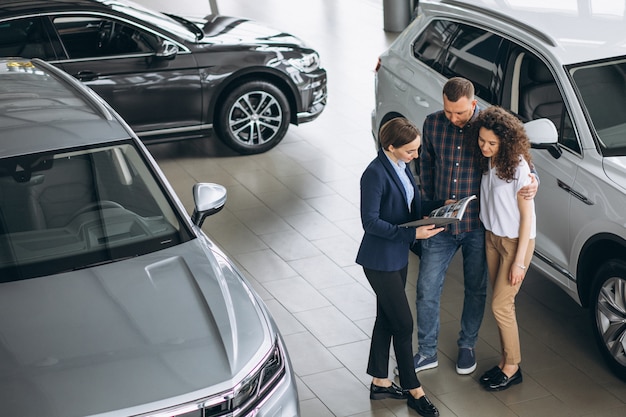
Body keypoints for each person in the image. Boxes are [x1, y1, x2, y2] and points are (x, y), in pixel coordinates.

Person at [414, 77, 538, 376]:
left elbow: (517, 155)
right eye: (447, 111)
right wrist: (432, 203)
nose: (453, 118)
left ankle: (468, 346)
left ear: (473, 103)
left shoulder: (487, 128)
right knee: (427, 288)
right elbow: (426, 165)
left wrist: (533, 178)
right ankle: (427, 351)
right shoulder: (432, 124)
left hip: (477, 228)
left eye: (459, 112)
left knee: (477, 290)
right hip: (442, 223)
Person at [356, 117, 446, 417]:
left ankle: (380, 382)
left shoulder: (401, 165)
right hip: (379, 260)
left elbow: (409, 206)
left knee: (387, 318)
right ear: (390, 147)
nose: (416, 156)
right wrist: (412, 234)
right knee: (404, 324)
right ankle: (413, 389)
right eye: (410, 151)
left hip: (397, 256)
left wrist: (439, 205)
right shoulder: (374, 174)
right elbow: (370, 223)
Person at [471, 106, 536, 390]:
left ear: (506, 142)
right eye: (482, 140)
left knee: (501, 304)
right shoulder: (487, 159)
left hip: (514, 244)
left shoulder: (518, 168)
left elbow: (528, 219)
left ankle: (512, 366)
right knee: (501, 305)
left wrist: (519, 262)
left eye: (492, 143)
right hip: (492, 239)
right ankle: (504, 361)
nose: (485, 147)